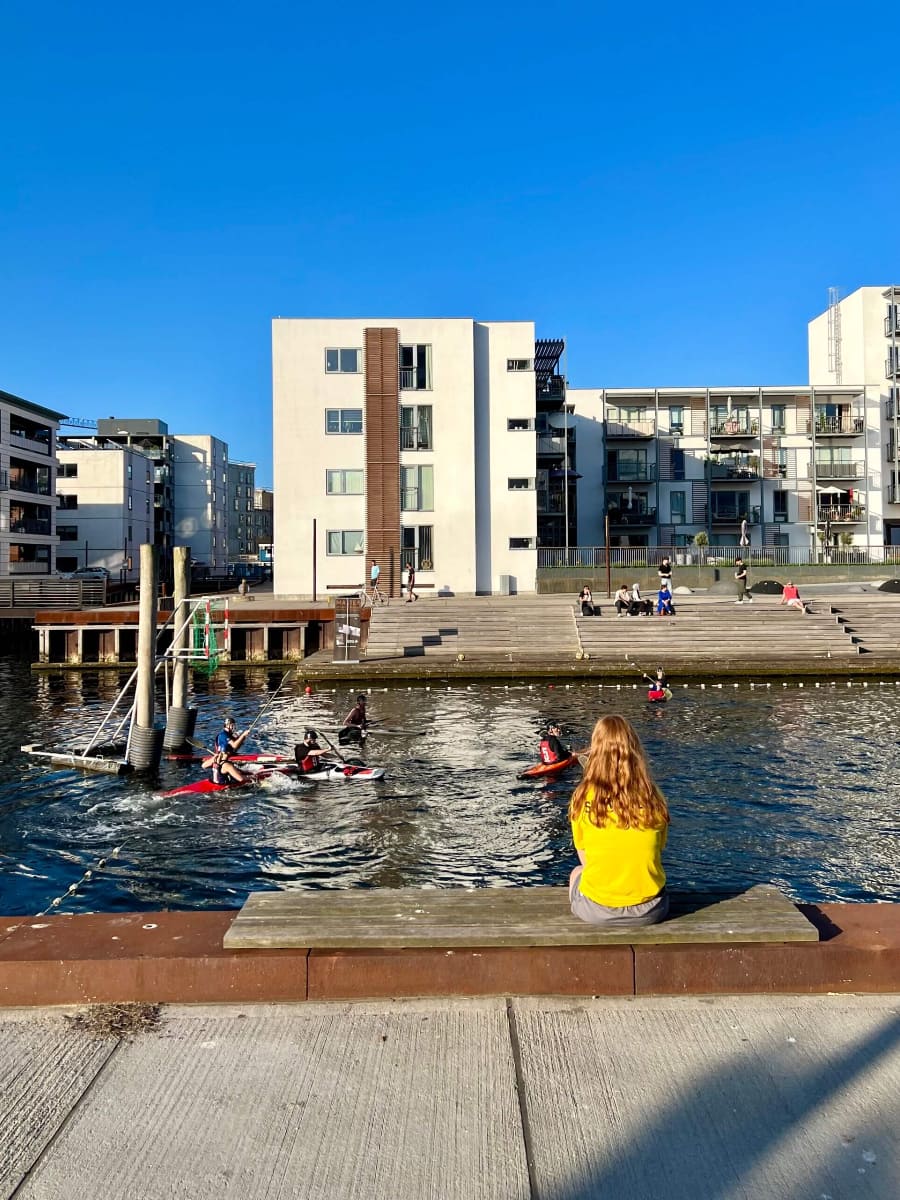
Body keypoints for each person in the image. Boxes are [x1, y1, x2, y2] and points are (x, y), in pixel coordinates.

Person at [568, 714, 670, 927]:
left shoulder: (582, 798)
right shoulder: (653, 797)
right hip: (651, 909)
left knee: (577, 873)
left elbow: (585, 858)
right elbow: (657, 849)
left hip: (598, 910)